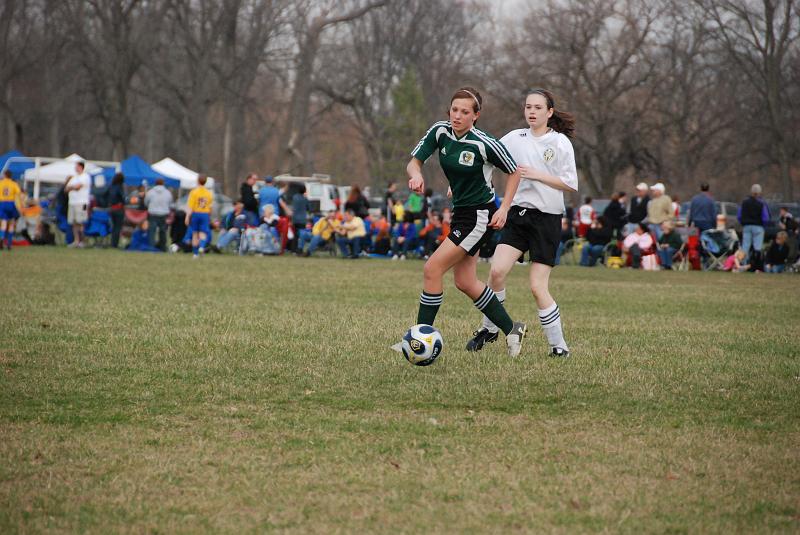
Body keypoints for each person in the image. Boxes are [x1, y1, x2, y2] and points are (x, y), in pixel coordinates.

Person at [406, 88, 526, 356]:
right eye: (454, 110)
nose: (457, 116)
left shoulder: (485, 143)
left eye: (464, 112)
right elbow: (414, 162)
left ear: (476, 116)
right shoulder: (441, 131)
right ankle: (512, 329)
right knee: (466, 282)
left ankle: (419, 340)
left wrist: (504, 208)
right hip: (461, 213)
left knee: (432, 269)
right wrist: (416, 175)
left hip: (479, 216)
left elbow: (514, 172)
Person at [465, 88, 577, 357]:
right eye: (528, 107)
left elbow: (570, 184)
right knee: (496, 272)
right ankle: (490, 328)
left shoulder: (560, 143)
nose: (532, 112)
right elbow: (487, 156)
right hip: (518, 216)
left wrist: (538, 175)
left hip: (547, 219)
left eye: (538, 107)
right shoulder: (515, 138)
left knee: (538, 287)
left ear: (549, 113)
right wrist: (466, 182)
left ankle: (559, 347)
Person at [737, 183, 769, 264]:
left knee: (745, 246)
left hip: (747, 226)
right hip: (758, 226)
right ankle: (755, 264)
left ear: (751, 192)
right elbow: (765, 217)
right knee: (757, 246)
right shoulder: (762, 203)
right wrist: (763, 225)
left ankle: (743, 263)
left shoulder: (744, 202)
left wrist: (743, 222)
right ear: (759, 192)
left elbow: (739, 215)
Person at [185, 175, 213, 258]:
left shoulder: (194, 192)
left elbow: (190, 206)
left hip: (195, 213)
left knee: (195, 234)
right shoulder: (208, 193)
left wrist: (187, 216)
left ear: (197, 181)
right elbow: (211, 207)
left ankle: (195, 253)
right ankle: (201, 247)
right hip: (205, 214)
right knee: (203, 233)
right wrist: (209, 216)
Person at [64, 161, 91, 248]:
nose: (75, 168)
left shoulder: (85, 176)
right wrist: (72, 187)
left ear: (81, 167)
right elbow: (66, 189)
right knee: (74, 222)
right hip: (72, 203)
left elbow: (78, 187)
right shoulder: (74, 178)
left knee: (81, 222)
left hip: (82, 203)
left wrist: (72, 187)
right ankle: (76, 241)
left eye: (77, 166)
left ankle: (82, 241)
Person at [144, 178, 173, 251]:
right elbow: (170, 203)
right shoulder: (167, 192)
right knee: (163, 231)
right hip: (163, 214)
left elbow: (146, 202)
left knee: (152, 231)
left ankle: (151, 247)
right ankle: (162, 247)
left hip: (153, 213)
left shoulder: (150, 192)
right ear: (163, 183)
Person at [0, 170, 22, 250]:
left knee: (3, 223)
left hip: (2, 203)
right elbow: (18, 193)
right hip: (10, 203)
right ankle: (9, 243)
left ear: (5, 175)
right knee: (12, 223)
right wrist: (20, 206)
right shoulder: (13, 184)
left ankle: (1, 237)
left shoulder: (1, 183)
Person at [290, 184, 310, 252]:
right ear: (304, 190)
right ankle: (300, 249)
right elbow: (308, 208)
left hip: (295, 219)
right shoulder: (305, 199)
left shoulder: (294, 197)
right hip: (302, 220)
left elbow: (293, 207)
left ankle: (293, 249)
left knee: (295, 235)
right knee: (302, 235)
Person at [108, 173, 126, 248]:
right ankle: (114, 244)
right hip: (119, 209)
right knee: (118, 227)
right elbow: (123, 198)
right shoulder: (120, 187)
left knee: (114, 227)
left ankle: (112, 243)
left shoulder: (111, 186)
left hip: (112, 209)